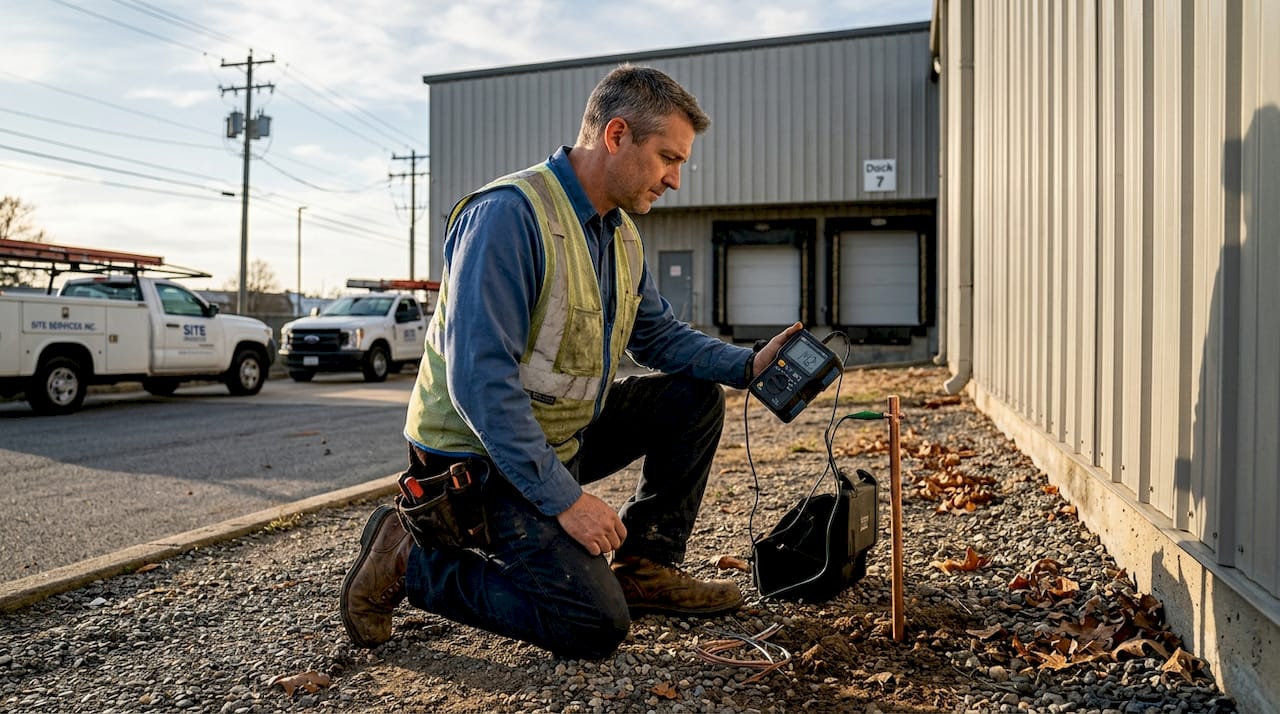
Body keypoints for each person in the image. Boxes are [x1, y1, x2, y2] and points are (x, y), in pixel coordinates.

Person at [339, 64, 802, 660]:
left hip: (556, 440)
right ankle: (412, 560)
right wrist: (567, 501)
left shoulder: (619, 233)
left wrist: (747, 365)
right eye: (668, 158)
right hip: (479, 462)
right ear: (615, 136)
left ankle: (644, 567)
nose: (676, 180)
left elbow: (655, 335)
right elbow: (480, 384)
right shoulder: (509, 216)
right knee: (591, 624)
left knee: (693, 400)